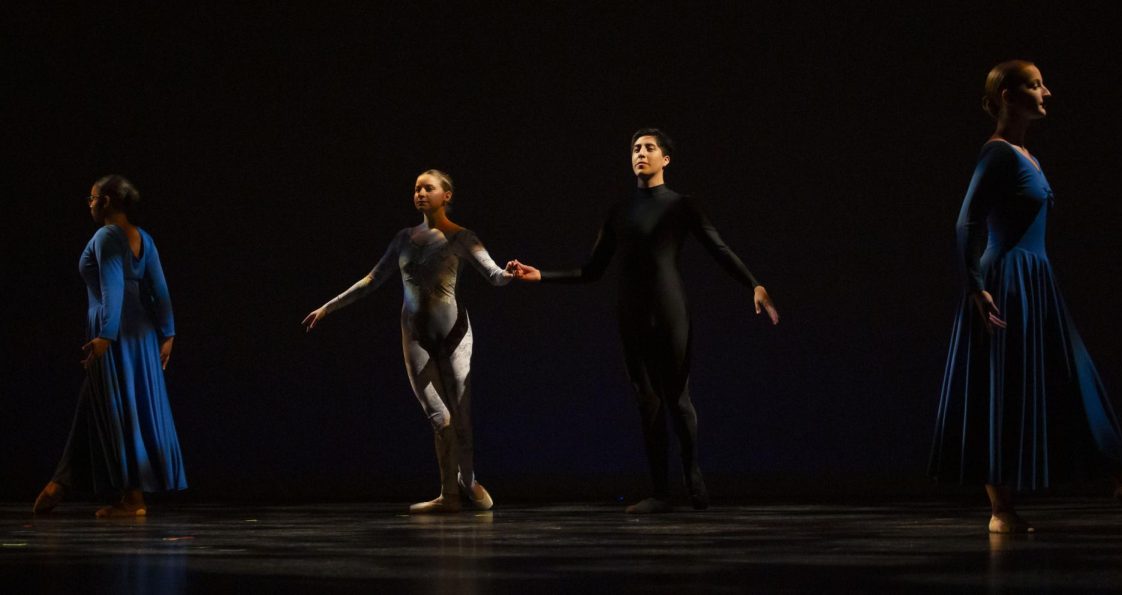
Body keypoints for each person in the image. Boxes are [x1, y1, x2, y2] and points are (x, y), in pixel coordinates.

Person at [928, 61, 1122, 533]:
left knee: (1072, 375)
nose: (1046, 92)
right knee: (1000, 383)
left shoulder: (1026, 156)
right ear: (1009, 98)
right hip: (1006, 281)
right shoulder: (997, 154)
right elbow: (966, 222)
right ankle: (1004, 509)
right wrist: (976, 286)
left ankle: (1120, 475)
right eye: (1035, 85)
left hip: (1036, 281)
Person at [506, 129, 779, 513]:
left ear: (665, 159)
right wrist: (541, 275)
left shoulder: (683, 206)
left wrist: (754, 283)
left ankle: (692, 476)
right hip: (631, 314)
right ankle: (660, 492)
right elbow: (593, 270)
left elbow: (718, 248)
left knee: (677, 399)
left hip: (670, 311)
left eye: (650, 148)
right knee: (646, 402)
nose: (641, 153)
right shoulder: (619, 210)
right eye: (636, 148)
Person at [303, 170, 511, 513]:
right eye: (416, 188)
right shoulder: (403, 239)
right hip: (415, 334)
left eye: (428, 188)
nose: (420, 193)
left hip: (455, 335)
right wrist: (328, 307)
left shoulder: (461, 237)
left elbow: (493, 274)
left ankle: (468, 479)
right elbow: (372, 279)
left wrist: (508, 273)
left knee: (461, 416)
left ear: (446, 196)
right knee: (439, 417)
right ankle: (448, 495)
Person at [34, 175, 186, 518]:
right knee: (105, 401)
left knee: (120, 408)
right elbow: (159, 289)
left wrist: (106, 334)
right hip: (142, 332)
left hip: (115, 330)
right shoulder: (143, 238)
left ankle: (132, 498)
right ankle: (63, 481)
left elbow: (112, 286)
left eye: (91, 198)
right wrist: (168, 333)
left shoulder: (105, 236)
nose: (88, 204)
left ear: (105, 201)